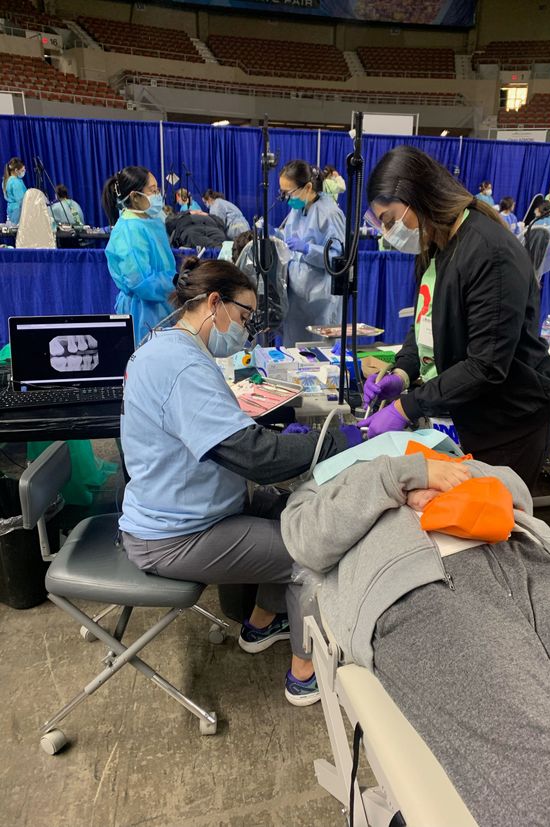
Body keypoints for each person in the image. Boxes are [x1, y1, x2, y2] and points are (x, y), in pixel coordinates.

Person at [281, 448, 550, 827]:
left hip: (530, 564)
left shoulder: (447, 455)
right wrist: (400, 478)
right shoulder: (328, 481)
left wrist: (451, 472)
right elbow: (306, 539)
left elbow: (519, 494)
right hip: (420, 590)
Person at [119, 256, 359, 706]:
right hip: (175, 536)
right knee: (313, 549)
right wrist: (328, 442)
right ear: (214, 302)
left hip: (171, 509)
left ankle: (262, 622)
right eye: (245, 316)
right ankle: (306, 675)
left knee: (284, 507)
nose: (246, 330)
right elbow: (253, 457)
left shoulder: (162, 344)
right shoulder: (184, 366)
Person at [359, 146, 550, 491]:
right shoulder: (436, 244)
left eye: (391, 220)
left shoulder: (488, 251)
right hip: (472, 416)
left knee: (493, 530)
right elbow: (425, 325)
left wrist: (406, 407)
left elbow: (486, 365)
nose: (389, 233)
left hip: (511, 423)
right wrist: (403, 372)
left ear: (415, 196)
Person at [102, 166, 175, 343]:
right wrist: (176, 282)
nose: (158, 195)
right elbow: (141, 282)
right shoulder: (129, 230)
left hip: (162, 306)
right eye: (153, 190)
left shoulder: (149, 222)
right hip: (144, 313)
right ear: (135, 197)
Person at [278, 160, 345, 346]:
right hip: (297, 299)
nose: (287, 199)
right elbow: (289, 240)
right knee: (293, 351)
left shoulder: (330, 214)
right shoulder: (296, 210)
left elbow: (339, 260)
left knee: (319, 354)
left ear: (307, 187)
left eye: (288, 193)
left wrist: (309, 249)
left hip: (320, 299)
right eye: (283, 193)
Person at [3, 156, 27, 224]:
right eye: (22, 170)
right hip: (18, 211)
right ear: (16, 170)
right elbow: (21, 200)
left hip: (11, 210)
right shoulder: (16, 182)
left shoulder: (6, 180)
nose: (24, 172)